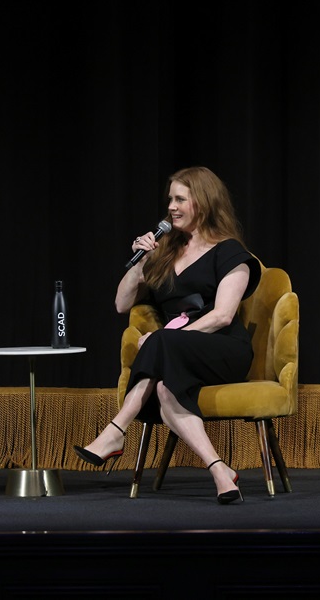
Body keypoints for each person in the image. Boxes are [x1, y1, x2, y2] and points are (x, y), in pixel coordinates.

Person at [73, 166, 260, 505]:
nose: (171, 207)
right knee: (163, 388)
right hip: (175, 353)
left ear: (202, 203)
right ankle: (220, 471)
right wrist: (141, 263)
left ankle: (115, 431)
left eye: (180, 199)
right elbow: (120, 304)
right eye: (170, 199)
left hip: (223, 350)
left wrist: (166, 339)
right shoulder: (164, 252)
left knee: (159, 341)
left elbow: (222, 316)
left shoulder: (231, 252)